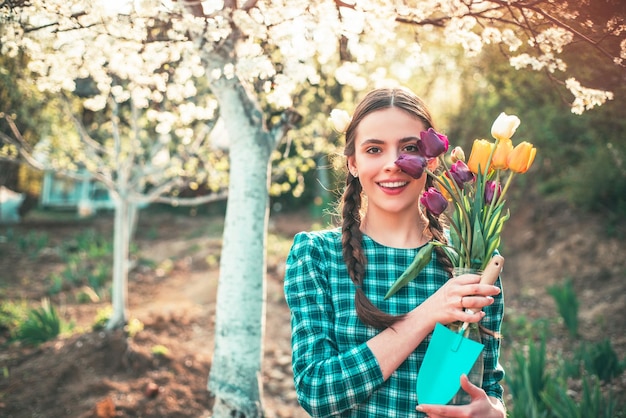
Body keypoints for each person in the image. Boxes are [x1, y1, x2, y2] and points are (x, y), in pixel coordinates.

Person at [284, 87, 507, 417]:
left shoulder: (471, 262)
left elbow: (488, 388)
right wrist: (426, 314)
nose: (393, 164)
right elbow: (317, 391)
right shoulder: (317, 255)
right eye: (374, 149)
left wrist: (493, 412)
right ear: (353, 163)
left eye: (409, 148)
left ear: (430, 160)